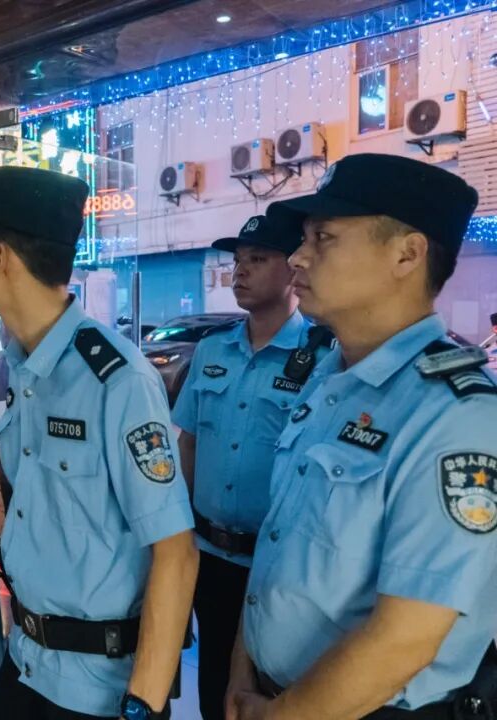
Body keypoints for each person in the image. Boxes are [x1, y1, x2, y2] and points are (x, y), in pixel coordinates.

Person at [225, 153, 497, 720]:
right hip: (277, 694)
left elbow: (404, 640)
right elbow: (279, 549)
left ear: (407, 254)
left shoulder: (456, 415)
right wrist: (241, 670)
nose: (298, 257)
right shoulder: (328, 380)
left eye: (323, 238)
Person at [0, 166, 198, 720]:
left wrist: (143, 707)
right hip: (26, 664)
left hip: (96, 690)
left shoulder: (117, 380)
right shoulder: (24, 366)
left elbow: (175, 554)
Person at [172, 212, 330, 720]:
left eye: (257, 259)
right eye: (238, 260)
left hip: (275, 568)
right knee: (213, 686)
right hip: (208, 555)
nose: (240, 271)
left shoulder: (322, 359)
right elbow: (189, 446)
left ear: (293, 269)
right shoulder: (211, 350)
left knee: (271, 689)